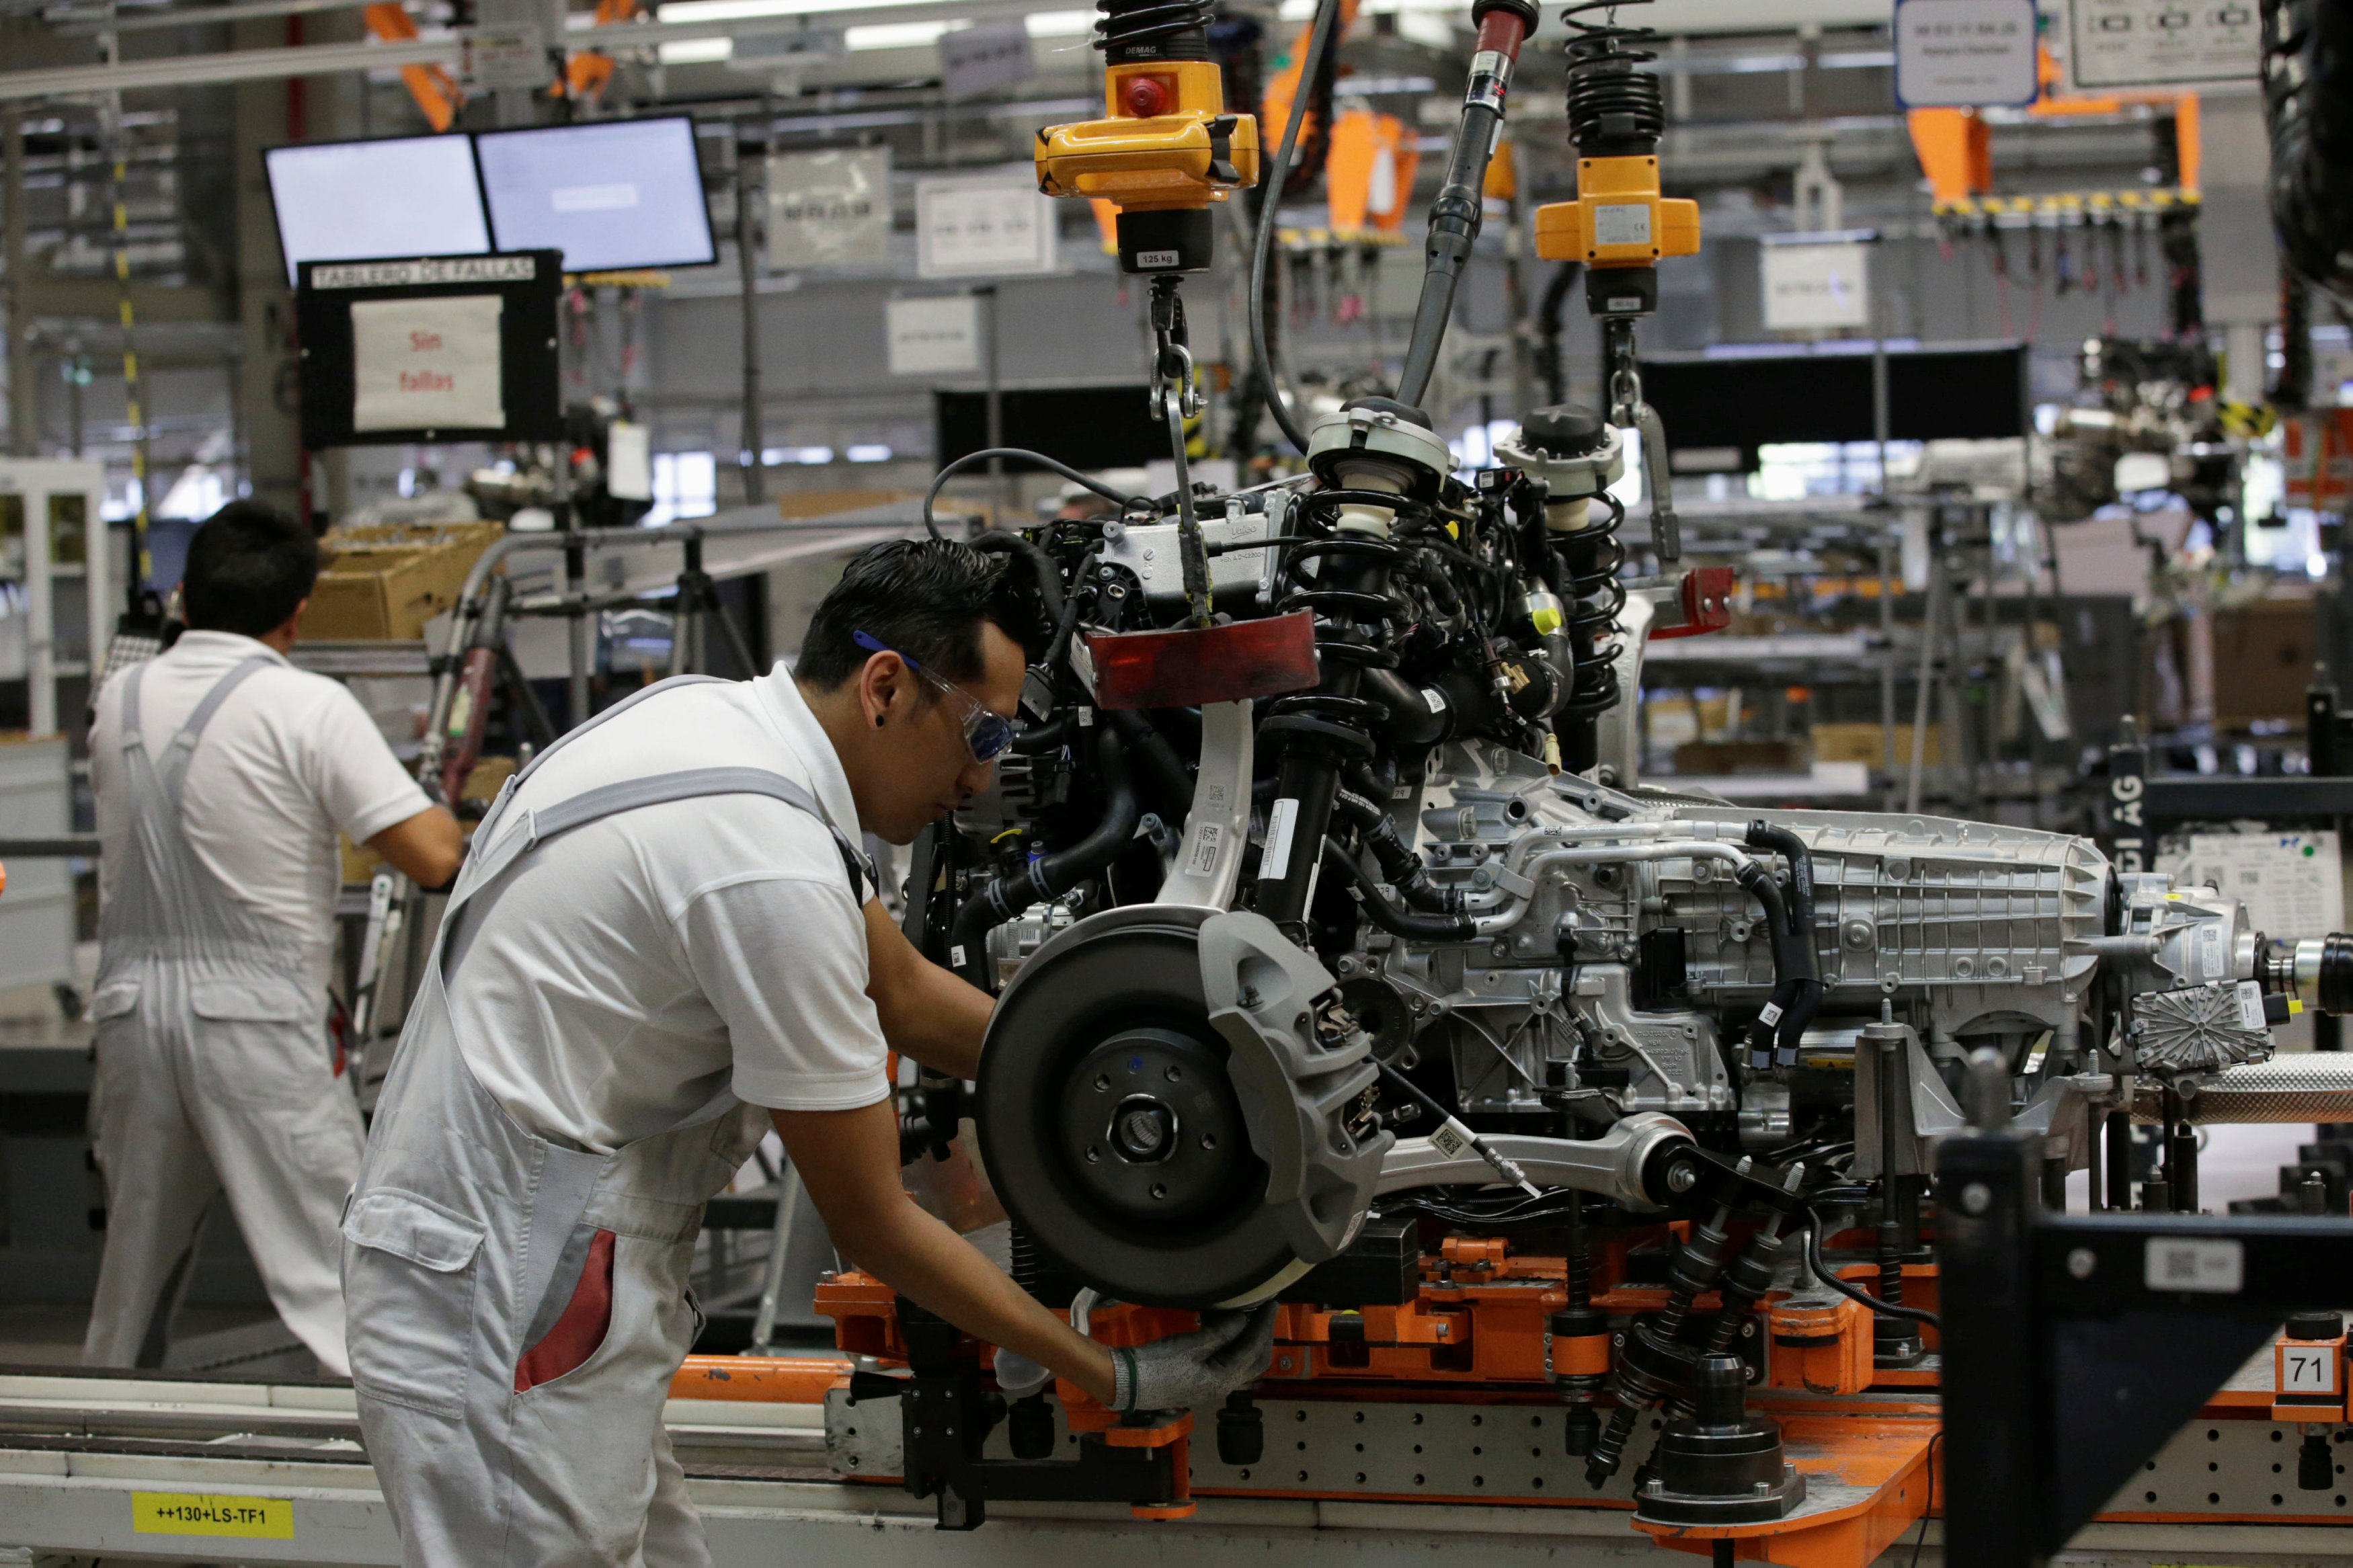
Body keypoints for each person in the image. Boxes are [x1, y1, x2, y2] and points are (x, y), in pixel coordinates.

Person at [343, 537, 1273, 1565]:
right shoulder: (766, 865)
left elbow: (906, 993)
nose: (982, 774)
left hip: (532, 1265)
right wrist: (1108, 1372)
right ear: (886, 686)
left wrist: (1143, 1058)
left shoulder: (722, 731)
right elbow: (874, 1220)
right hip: (505, 1293)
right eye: (981, 731)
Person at [84, 500, 464, 1376]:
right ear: (298, 613)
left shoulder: (118, 698)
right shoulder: (307, 705)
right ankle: (394, 1462)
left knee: (135, 1270)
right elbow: (432, 854)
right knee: (339, 1268)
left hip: (132, 1015)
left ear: (184, 596)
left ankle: (99, 1444)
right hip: (254, 1019)